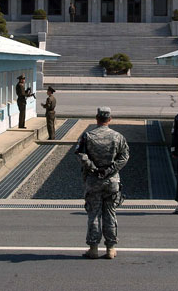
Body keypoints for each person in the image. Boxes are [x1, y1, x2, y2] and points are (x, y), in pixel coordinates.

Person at [75, 107, 129, 259]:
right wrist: (110, 170)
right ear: (110, 119)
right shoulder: (118, 137)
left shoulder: (88, 136)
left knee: (94, 214)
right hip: (111, 181)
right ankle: (110, 248)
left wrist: (93, 168)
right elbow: (124, 157)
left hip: (93, 180)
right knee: (110, 214)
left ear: (96, 118)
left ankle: (93, 248)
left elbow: (80, 154)